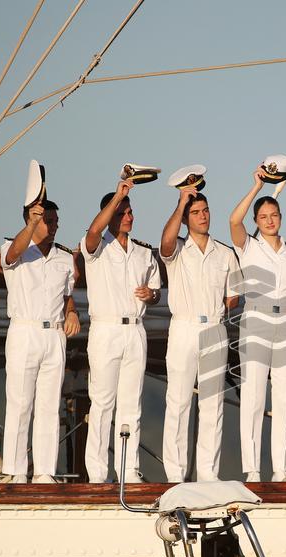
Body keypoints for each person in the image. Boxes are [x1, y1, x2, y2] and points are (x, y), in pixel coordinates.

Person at [230, 167, 286, 482]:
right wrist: (257, 186)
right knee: (253, 397)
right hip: (257, 320)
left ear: (281, 217)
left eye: (274, 215)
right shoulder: (248, 246)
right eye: (263, 216)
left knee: (285, 399)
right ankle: (252, 469)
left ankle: (282, 468)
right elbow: (233, 222)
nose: (269, 220)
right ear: (257, 221)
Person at [81, 179, 161, 483]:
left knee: (131, 404)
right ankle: (98, 474)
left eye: (130, 212)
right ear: (111, 214)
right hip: (106, 329)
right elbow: (92, 232)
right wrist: (118, 195)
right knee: (102, 402)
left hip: (135, 329)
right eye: (123, 212)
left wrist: (151, 296)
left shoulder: (142, 253)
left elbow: (157, 291)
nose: (129, 216)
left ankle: (128, 470)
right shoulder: (97, 247)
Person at [160, 184, 239, 483]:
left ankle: (208, 473)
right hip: (184, 326)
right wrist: (181, 203)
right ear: (185, 218)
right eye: (195, 213)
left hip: (215, 327)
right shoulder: (178, 248)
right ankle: (175, 474)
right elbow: (165, 243)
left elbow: (234, 295)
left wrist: (227, 300)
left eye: (205, 211)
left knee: (212, 403)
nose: (203, 216)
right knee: (178, 401)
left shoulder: (225, 253)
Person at [0, 199, 81, 484]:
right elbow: (10, 256)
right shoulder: (15, 248)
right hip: (25, 330)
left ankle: (45, 471)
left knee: (49, 406)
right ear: (31, 220)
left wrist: (72, 312)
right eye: (49, 220)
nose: (55, 226)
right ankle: (15, 470)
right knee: (20, 403)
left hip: (54, 334)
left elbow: (67, 294)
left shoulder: (63, 257)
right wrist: (33, 223)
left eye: (56, 221)